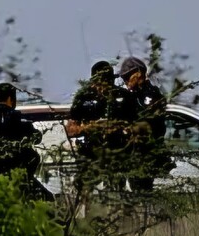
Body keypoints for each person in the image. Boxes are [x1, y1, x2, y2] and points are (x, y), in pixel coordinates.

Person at [0, 83, 53, 201]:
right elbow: (36, 137)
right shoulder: (16, 117)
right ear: (10, 99)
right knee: (47, 200)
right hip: (19, 179)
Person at [66, 61, 135, 192]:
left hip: (116, 154)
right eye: (100, 82)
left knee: (115, 192)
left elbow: (136, 127)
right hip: (89, 154)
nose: (104, 87)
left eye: (108, 82)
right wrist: (90, 127)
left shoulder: (124, 97)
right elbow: (70, 129)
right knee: (83, 188)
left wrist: (118, 128)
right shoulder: (83, 98)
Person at [118, 56, 172, 191]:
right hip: (134, 158)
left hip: (149, 158)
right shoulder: (131, 97)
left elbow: (150, 123)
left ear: (138, 73)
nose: (125, 82)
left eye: (127, 77)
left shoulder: (151, 94)